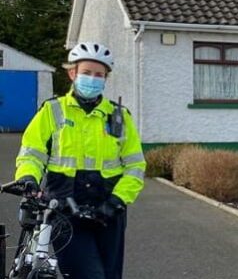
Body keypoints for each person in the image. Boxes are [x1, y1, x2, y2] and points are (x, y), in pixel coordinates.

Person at [14, 42, 146, 279]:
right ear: (72, 73)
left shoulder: (119, 116)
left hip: (109, 212)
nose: (92, 79)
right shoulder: (53, 110)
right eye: (86, 72)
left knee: (110, 275)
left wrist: (116, 201)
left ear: (106, 79)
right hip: (65, 211)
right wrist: (28, 177)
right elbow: (32, 154)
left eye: (99, 75)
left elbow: (135, 166)